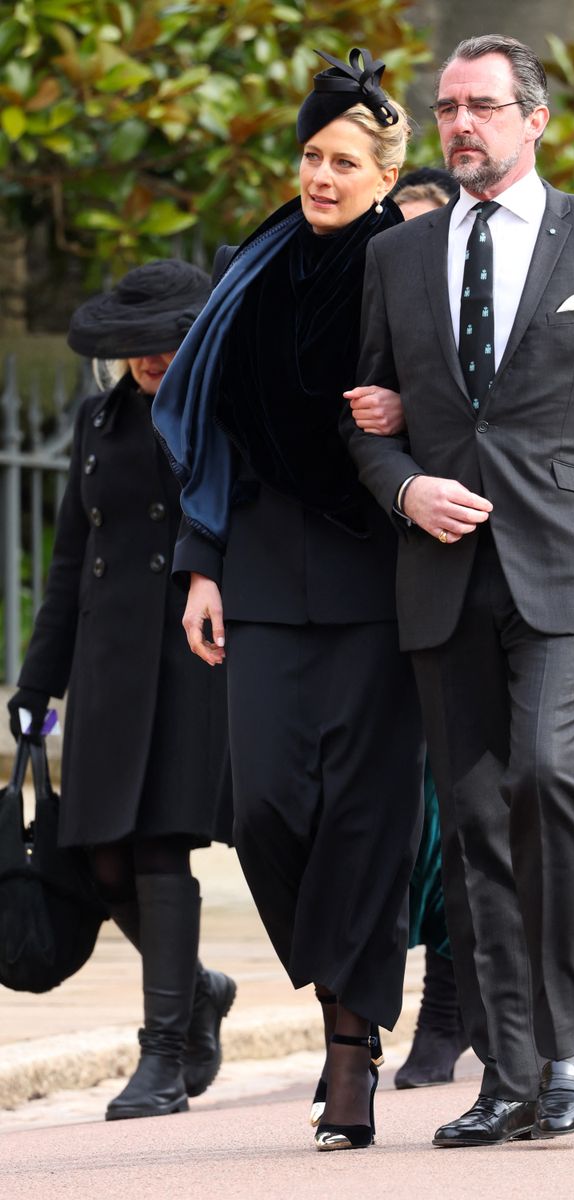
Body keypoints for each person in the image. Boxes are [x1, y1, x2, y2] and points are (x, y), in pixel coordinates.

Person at [341, 33, 574, 1147]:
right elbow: (368, 421)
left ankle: (566, 1053)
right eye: (448, 107)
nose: (461, 124)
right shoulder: (395, 260)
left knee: (546, 781)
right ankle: (505, 1074)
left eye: (483, 107)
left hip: (569, 564)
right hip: (442, 572)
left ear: (532, 119)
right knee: (469, 818)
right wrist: (405, 489)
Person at [152, 48, 424, 1153]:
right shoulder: (248, 270)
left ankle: (349, 1051)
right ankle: (340, 970)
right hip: (259, 570)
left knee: (363, 818)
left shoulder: (408, 266)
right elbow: (209, 429)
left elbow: (456, 399)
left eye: (343, 161)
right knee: (264, 803)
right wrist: (202, 565)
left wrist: (402, 402)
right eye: (311, 155)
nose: (320, 176)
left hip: (373, 577)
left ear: (379, 171)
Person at [6, 260, 235, 1121]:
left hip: (190, 656)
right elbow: (70, 561)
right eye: (134, 346)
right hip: (105, 664)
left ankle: (164, 1057)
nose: (150, 360)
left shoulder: (221, 415)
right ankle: (199, 989)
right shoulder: (94, 421)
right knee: (100, 861)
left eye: (165, 343)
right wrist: (37, 683)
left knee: (158, 846)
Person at [385, 169, 470, 1092]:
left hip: (466, 573)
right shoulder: (368, 297)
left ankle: (447, 1013)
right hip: (369, 584)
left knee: (452, 810)